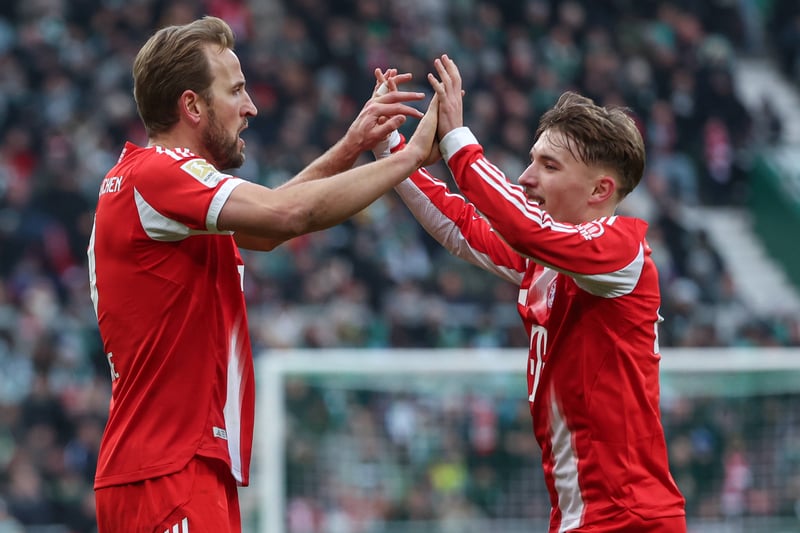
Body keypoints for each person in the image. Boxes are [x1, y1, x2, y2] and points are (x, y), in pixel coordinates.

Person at [87, 16, 437, 533]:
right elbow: (286, 214)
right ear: (192, 106)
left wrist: (352, 146)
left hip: (172, 467)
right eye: (236, 91)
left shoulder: (161, 190)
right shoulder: (158, 173)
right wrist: (413, 157)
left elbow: (267, 227)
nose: (251, 107)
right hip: (167, 471)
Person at [373, 55, 686, 531]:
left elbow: (524, 226)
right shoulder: (545, 261)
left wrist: (457, 140)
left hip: (630, 519)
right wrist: (391, 145)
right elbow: (460, 225)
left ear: (599, 190)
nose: (525, 177)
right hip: (582, 517)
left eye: (549, 166)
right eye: (532, 160)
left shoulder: (622, 248)